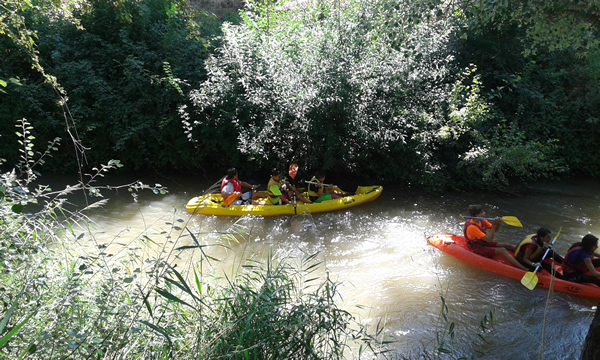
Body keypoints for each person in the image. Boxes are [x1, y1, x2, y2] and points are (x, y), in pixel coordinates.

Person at [463, 205, 528, 271]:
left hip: (483, 242)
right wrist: (494, 225)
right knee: (502, 250)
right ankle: (524, 269)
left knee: (508, 246)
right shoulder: (472, 228)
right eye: (482, 212)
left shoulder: (482, 221)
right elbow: (489, 240)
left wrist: (498, 224)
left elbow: (495, 230)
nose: (484, 213)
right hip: (477, 248)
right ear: (476, 215)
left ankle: (525, 260)